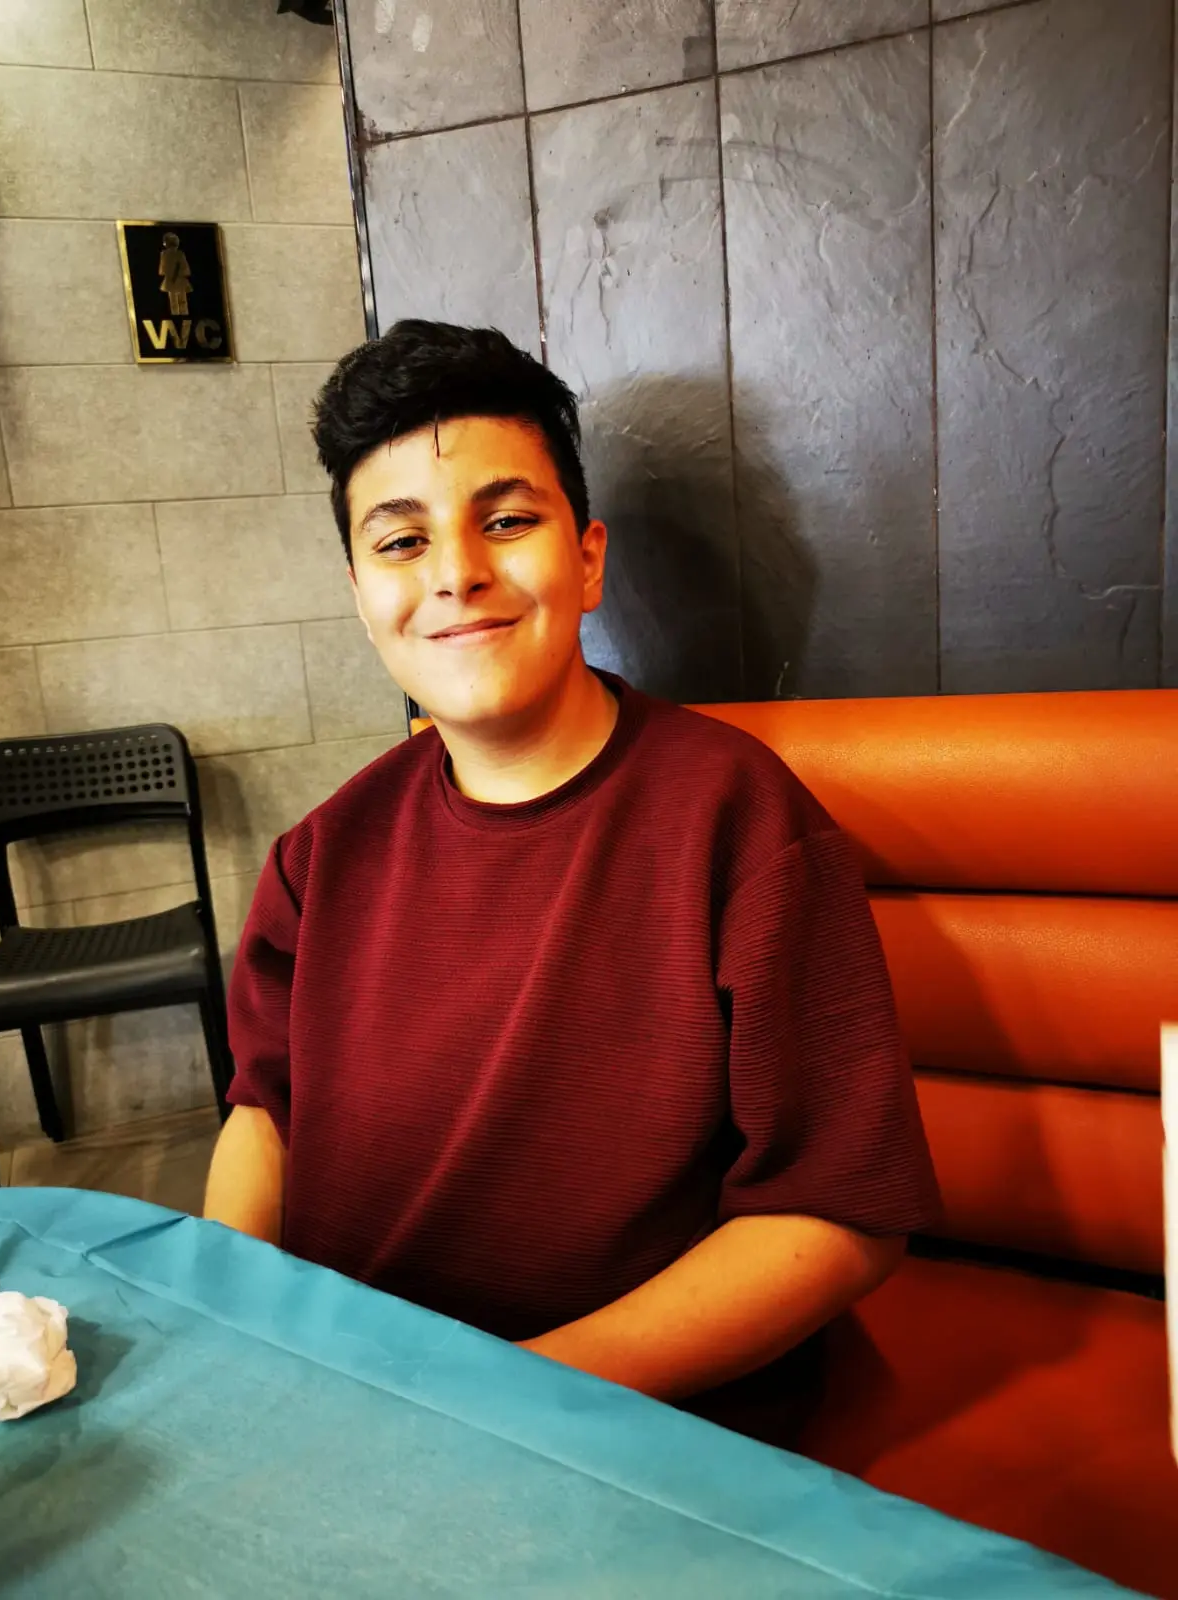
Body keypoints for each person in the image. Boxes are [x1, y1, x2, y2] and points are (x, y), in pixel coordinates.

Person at [203, 320, 939, 1440]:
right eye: (401, 542)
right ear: (360, 592)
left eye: (506, 521)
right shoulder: (320, 854)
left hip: (636, 1434)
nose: (457, 572)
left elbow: (841, 1216)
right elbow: (267, 1113)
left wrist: (498, 1402)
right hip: (349, 1410)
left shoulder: (740, 823)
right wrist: (231, 1327)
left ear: (587, 559)